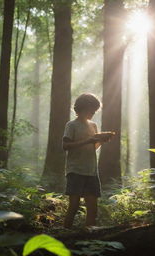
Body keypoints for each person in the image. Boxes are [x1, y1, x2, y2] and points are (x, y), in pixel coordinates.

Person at [62, 93, 112, 228]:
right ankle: (65, 234)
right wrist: (88, 140)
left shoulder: (94, 125)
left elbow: (92, 147)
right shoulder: (71, 125)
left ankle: (89, 236)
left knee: (92, 207)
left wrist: (101, 141)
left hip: (91, 171)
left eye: (96, 111)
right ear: (83, 107)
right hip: (75, 170)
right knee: (74, 205)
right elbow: (65, 146)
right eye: (92, 110)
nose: (94, 113)